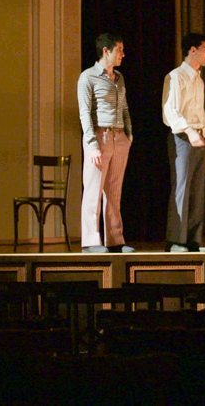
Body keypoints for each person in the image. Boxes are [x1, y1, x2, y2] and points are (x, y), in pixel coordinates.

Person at [76, 33, 134, 253]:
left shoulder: (119, 77)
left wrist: (129, 134)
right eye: (119, 50)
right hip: (100, 136)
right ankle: (90, 241)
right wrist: (92, 144)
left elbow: (124, 107)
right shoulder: (87, 77)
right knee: (93, 191)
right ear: (106, 51)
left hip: (119, 137)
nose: (123, 54)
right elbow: (84, 113)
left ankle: (115, 240)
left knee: (114, 191)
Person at [162, 33, 205, 252]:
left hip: (198, 137)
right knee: (182, 189)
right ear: (193, 50)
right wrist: (190, 131)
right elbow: (170, 111)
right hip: (182, 138)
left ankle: (193, 240)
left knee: (197, 191)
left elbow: (200, 112)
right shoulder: (175, 76)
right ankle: (176, 240)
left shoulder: (198, 79)